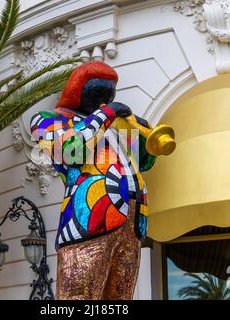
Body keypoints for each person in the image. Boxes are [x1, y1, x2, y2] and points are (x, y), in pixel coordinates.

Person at [30, 61, 160, 299]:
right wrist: (105, 115)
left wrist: (145, 133)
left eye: (108, 97)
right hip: (88, 221)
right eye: (100, 96)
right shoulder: (48, 119)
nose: (105, 101)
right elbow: (71, 153)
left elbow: (146, 162)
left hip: (132, 226)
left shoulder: (114, 129)